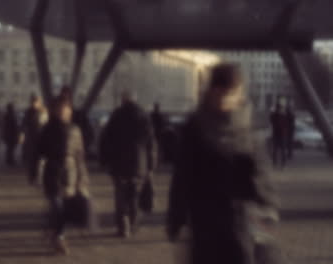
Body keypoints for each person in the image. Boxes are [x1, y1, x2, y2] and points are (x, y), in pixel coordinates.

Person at [166, 63, 275, 264]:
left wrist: (265, 206)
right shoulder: (195, 127)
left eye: (230, 92)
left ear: (239, 92)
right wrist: (176, 220)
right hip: (205, 224)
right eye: (220, 92)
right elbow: (181, 177)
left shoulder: (250, 127)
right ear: (211, 92)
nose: (225, 98)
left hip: (241, 223)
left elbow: (263, 175)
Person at [99, 90, 157, 238]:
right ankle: (132, 222)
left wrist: (104, 160)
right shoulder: (144, 116)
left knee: (120, 195)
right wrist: (151, 165)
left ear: (122, 100)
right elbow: (151, 143)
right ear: (135, 100)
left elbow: (106, 140)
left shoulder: (116, 115)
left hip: (119, 164)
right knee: (134, 196)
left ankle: (122, 225)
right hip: (139, 164)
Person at [37, 96, 89, 255]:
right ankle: (58, 236)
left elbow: (80, 156)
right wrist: (35, 172)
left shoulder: (75, 130)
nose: (63, 111)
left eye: (65, 108)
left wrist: (83, 178)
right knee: (57, 206)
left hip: (70, 174)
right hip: (52, 173)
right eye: (60, 108)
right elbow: (39, 152)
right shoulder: (47, 129)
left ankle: (57, 234)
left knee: (65, 209)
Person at [20, 94, 48, 184]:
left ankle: (39, 178)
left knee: (41, 160)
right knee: (32, 159)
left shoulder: (44, 111)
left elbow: (47, 124)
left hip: (42, 138)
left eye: (35, 102)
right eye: (33, 102)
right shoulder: (28, 112)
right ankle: (32, 177)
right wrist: (22, 135)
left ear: (39, 102)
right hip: (32, 139)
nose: (34, 104)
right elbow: (24, 124)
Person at [270, 96, 290, 168]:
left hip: (283, 133)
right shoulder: (275, 111)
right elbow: (272, 120)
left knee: (283, 149)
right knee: (275, 149)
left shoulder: (286, 111)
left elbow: (290, 121)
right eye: (281, 101)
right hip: (277, 132)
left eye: (283, 101)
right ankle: (275, 163)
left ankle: (282, 164)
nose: (282, 102)